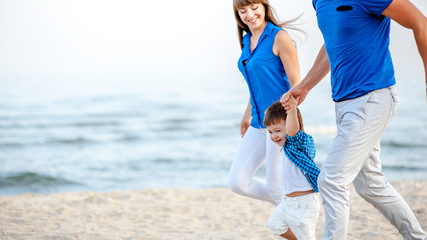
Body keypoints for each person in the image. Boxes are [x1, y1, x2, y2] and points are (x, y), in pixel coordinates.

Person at [281, 0, 427, 239]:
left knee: (331, 181)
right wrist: (305, 86)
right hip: (344, 104)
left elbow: (421, 23)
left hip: (373, 98)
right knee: (370, 184)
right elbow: (333, 43)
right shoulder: (319, 2)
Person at [228, 0, 302, 207]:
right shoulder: (246, 41)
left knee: (276, 186)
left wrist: (288, 122)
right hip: (258, 123)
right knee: (237, 182)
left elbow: (296, 85)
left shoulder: (279, 37)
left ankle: (294, 216)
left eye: (253, 8)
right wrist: (247, 112)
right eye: (242, 11)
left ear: (264, 7)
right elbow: (257, 83)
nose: (249, 15)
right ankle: (295, 201)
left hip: (279, 122)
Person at [264, 99, 321, 240]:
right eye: (270, 132)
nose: (273, 136)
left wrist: (292, 109)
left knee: (307, 236)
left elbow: (292, 131)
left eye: (278, 131)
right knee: (274, 224)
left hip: (304, 203)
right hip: (287, 202)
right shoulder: (284, 149)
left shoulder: (298, 144)